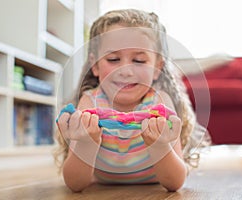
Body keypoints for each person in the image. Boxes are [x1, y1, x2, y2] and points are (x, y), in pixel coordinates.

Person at [55, 9, 210, 192]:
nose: (126, 71)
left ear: (157, 67)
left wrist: (160, 145)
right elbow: (75, 184)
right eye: (113, 59)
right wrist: (86, 142)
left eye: (138, 60)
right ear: (95, 65)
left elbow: (175, 183)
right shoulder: (89, 102)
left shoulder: (160, 103)